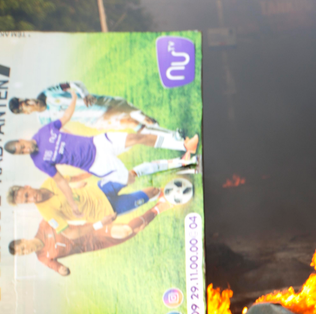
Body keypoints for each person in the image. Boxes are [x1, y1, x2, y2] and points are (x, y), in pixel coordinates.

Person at [4, 87, 197, 218]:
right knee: (130, 178)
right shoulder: (39, 161)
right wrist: (72, 204)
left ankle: (184, 147)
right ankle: (178, 166)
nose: (25, 150)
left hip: (98, 143)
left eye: (22, 147)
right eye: (22, 153)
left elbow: (64, 117)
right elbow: (61, 181)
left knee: (135, 138)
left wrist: (73, 96)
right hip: (96, 163)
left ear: (22, 141)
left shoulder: (44, 131)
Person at [9, 196, 175, 276]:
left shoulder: (44, 225)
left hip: (91, 229)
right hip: (91, 246)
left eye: (23, 247)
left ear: (24, 240)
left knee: (125, 230)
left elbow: (68, 216)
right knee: (132, 232)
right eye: (23, 253)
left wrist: (94, 221)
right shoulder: (42, 257)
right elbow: (56, 266)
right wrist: (62, 270)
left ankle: (158, 206)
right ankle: (157, 208)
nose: (26, 250)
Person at [10, 80, 182, 138]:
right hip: (95, 119)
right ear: (26, 112)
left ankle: (159, 129)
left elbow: (74, 84)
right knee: (130, 122)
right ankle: (172, 135)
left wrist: (84, 94)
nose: (30, 102)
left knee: (135, 113)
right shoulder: (44, 120)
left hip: (100, 101)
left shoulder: (47, 93)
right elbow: (62, 131)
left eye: (26, 100)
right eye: (26, 105)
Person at [7, 174, 159, 239]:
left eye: (27, 195)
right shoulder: (47, 213)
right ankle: (164, 194)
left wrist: (76, 184)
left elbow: (76, 178)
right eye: (27, 201)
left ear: (27, 187)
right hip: (106, 209)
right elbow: (72, 234)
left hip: (99, 189)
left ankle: (174, 162)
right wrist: (101, 223)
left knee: (129, 174)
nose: (32, 198)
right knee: (151, 192)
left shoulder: (49, 182)